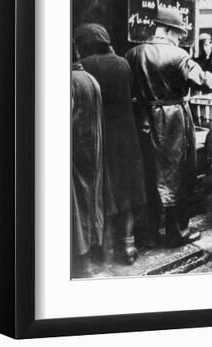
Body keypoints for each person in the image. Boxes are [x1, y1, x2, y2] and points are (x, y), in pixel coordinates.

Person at [126, 7, 212, 247]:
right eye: (178, 33)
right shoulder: (178, 56)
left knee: (149, 174)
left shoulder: (134, 53)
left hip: (144, 118)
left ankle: (148, 235)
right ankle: (177, 233)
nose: (179, 38)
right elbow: (204, 82)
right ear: (168, 30)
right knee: (179, 175)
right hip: (173, 119)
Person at [76, 23, 147, 265]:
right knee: (128, 189)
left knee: (105, 191)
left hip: (102, 136)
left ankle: (103, 250)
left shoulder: (86, 65)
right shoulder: (122, 63)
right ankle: (128, 246)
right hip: (127, 135)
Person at [71, 46, 104, 275]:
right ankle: (95, 248)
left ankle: (80, 261)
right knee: (92, 197)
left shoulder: (68, 81)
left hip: (75, 147)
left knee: (77, 202)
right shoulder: (90, 78)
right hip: (94, 145)